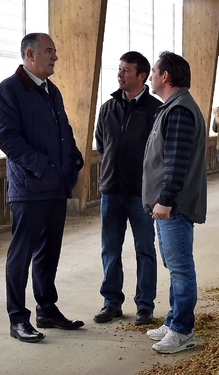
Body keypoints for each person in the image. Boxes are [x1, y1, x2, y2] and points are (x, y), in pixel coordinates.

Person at [0, 33, 85, 343]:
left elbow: (64, 130)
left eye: (55, 51)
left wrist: (73, 159)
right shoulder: (8, 91)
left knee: (49, 252)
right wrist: (42, 167)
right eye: (49, 51)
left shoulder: (51, 91)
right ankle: (18, 319)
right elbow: (7, 138)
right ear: (30, 55)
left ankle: (47, 308)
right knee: (21, 253)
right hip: (29, 188)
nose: (55, 57)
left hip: (56, 185)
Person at [142, 51, 207, 354]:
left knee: (180, 266)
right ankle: (173, 320)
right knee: (173, 264)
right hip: (167, 205)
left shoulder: (179, 110)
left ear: (165, 76)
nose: (151, 76)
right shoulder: (170, 107)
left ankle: (183, 329)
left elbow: (176, 161)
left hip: (174, 207)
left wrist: (165, 200)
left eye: (154, 71)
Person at [93, 51, 161, 326]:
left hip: (141, 194)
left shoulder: (155, 110)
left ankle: (145, 305)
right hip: (111, 191)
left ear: (141, 76)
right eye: (119, 69)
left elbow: (158, 153)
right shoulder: (108, 107)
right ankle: (111, 303)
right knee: (110, 249)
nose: (120, 74)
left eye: (126, 70)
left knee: (145, 249)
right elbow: (101, 144)